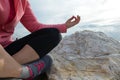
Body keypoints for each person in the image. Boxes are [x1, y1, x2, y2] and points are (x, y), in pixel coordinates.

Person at [0, 0, 80, 80]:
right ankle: (17, 71)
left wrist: (64, 26)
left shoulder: (23, 2)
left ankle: (7, 69)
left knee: (52, 35)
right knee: (45, 61)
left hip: (7, 49)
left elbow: (35, 26)